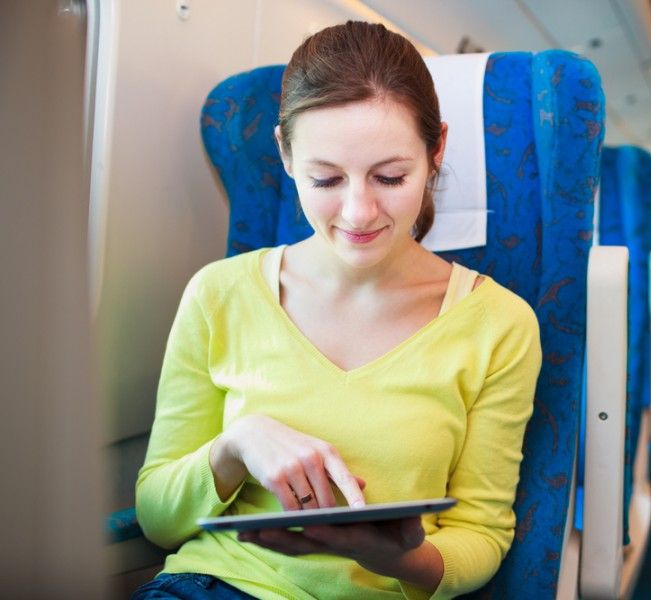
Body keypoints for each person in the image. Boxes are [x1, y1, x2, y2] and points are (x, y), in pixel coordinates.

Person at [134, 21, 541, 600]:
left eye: (390, 177)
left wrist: (405, 558)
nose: (358, 211)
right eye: (326, 178)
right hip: (211, 585)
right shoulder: (218, 293)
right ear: (286, 154)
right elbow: (156, 516)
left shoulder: (499, 324)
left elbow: (480, 535)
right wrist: (235, 446)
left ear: (437, 150)